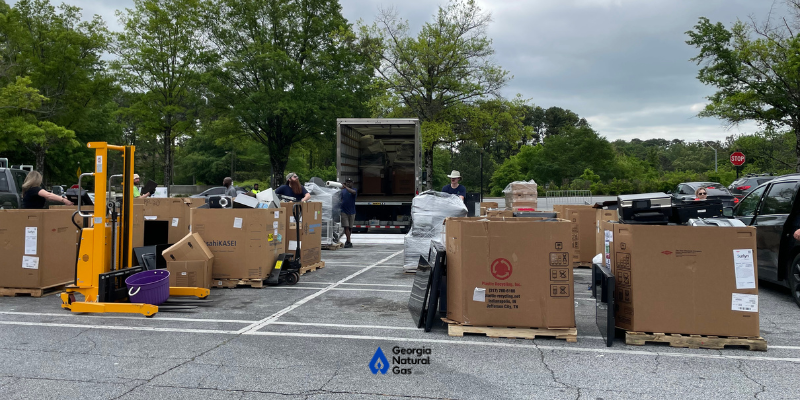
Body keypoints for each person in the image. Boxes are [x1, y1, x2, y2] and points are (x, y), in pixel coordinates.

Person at [340, 178, 357, 248]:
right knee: (346, 227)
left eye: (350, 182)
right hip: (344, 211)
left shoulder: (354, 190)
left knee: (350, 228)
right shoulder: (342, 191)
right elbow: (340, 199)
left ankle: (348, 240)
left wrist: (345, 187)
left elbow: (353, 192)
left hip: (352, 212)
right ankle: (349, 241)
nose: (348, 183)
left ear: (352, 183)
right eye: (347, 182)